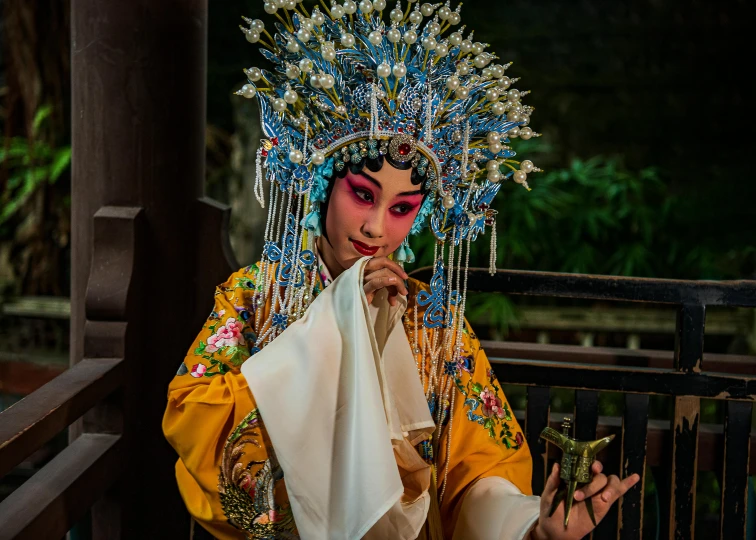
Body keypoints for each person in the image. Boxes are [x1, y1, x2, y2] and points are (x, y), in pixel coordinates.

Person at [163, 2, 639, 538]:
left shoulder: (433, 325)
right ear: (322, 186)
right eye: (362, 195)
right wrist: (335, 325)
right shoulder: (256, 295)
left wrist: (533, 527)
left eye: (401, 208)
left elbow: (477, 473)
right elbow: (194, 420)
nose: (374, 229)